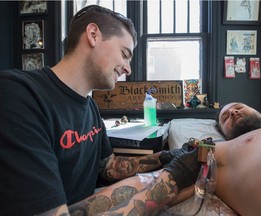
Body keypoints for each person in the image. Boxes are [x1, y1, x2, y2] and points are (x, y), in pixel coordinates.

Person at [0, 5, 192, 215]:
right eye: (124, 53)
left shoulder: (90, 107)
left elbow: (108, 166)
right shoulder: (18, 94)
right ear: (93, 35)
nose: (128, 68)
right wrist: (171, 178)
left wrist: (165, 157)